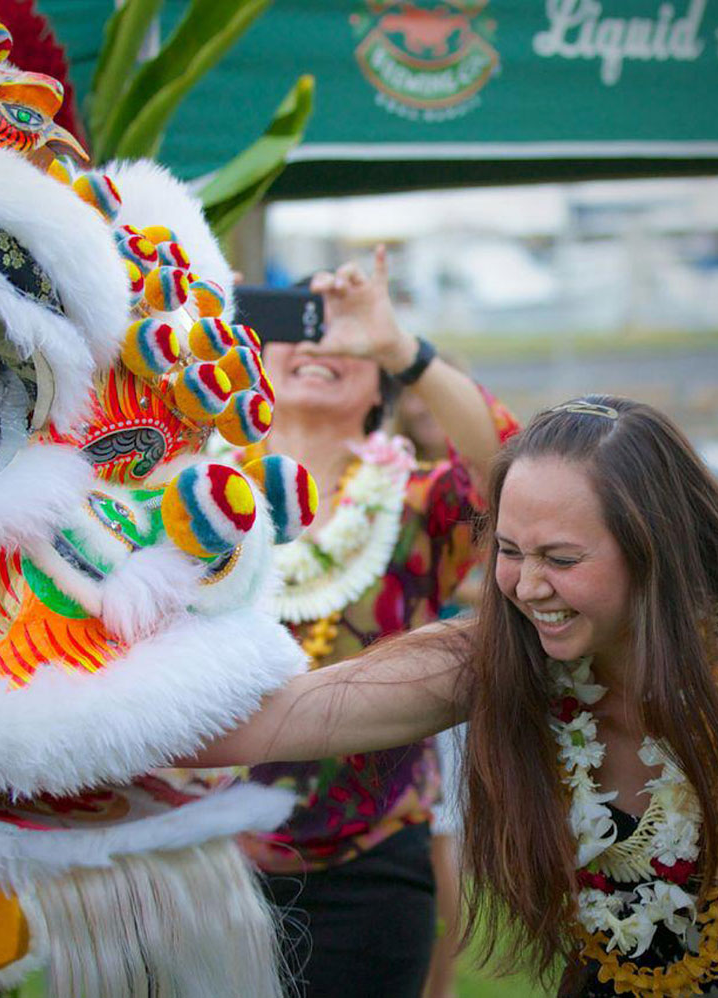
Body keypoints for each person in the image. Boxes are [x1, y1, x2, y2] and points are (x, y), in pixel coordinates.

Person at [196, 395, 718, 997]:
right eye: (510, 552)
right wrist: (92, 731)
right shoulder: (502, 656)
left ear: (654, 548)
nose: (527, 586)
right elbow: (290, 715)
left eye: (562, 556)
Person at [237, 246, 515, 997]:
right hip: (199, 863)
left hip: (366, 876)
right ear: (259, 362)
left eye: (343, 334)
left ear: (380, 393)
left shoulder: (420, 500)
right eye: (299, 324)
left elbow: (517, 465)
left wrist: (400, 343)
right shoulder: (199, 494)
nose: (321, 342)